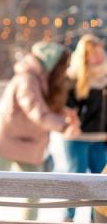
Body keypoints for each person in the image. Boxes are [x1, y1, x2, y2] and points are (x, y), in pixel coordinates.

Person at [0, 41, 81, 220]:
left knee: (33, 193)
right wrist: (64, 126)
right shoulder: (27, 78)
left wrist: (64, 112)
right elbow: (35, 109)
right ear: (51, 62)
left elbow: (44, 105)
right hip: (8, 142)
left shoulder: (41, 77)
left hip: (31, 145)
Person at [62, 34, 107, 222]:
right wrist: (71, 119)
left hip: (101, 139)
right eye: (92, 54)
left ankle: (95, 219)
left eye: (99, 52)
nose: (98, 57)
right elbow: (62, 107)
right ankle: (68, 217)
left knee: (101, 185)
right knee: (76, 181)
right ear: (84, 56)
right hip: (78, 139)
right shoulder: (72, 79)